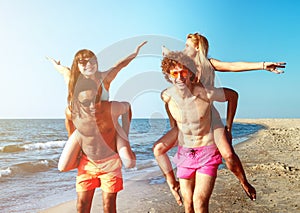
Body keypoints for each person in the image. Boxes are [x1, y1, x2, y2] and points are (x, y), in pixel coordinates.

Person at [154, 33, 286, 206]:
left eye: (188, 46)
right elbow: (169, 94)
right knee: (160, 149)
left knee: (228, 155)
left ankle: (244, 182)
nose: (184, 48)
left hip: (210, 116)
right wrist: (174, 125)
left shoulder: (209, 64)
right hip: (190, 119)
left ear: (197, 48)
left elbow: (233, 66)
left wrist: (262, 65)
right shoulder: (182, 66)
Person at [158, 51, 242, 212]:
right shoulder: (166, 96)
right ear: (168, 76)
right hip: (185, 153)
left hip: (207, 151)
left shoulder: (205, 93)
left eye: (183, 71)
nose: (179, 77)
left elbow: (232, 95)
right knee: (188, 204)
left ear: (190, 72)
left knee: (199, 202)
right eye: (174, 73)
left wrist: (228, 126)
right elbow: (168, 104)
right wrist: (173, 125)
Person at [49, 41, 146, 169]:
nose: (89, 65)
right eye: (83, 62)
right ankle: (88, 166)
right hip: (85, 127)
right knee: (63, 167)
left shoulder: (104, 78)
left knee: (129, 163)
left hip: (108, 124)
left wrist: (134, 53)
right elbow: (62, 70)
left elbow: (120, 65)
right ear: (76, 65)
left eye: (93, 61)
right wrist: (55, 64)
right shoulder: (72, 79)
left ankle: (121, 148)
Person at [59, 76, 131, 213]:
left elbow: (127, 108)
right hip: (87, 163)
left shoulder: (111, 108)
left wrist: (125, 135)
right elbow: (69, 122)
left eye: (95, 100)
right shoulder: (72, 112)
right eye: (86, 102)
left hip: (110, 162)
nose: (92, 106)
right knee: (82, 206)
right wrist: (75, 146)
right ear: (77, 102)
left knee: (109, 206)